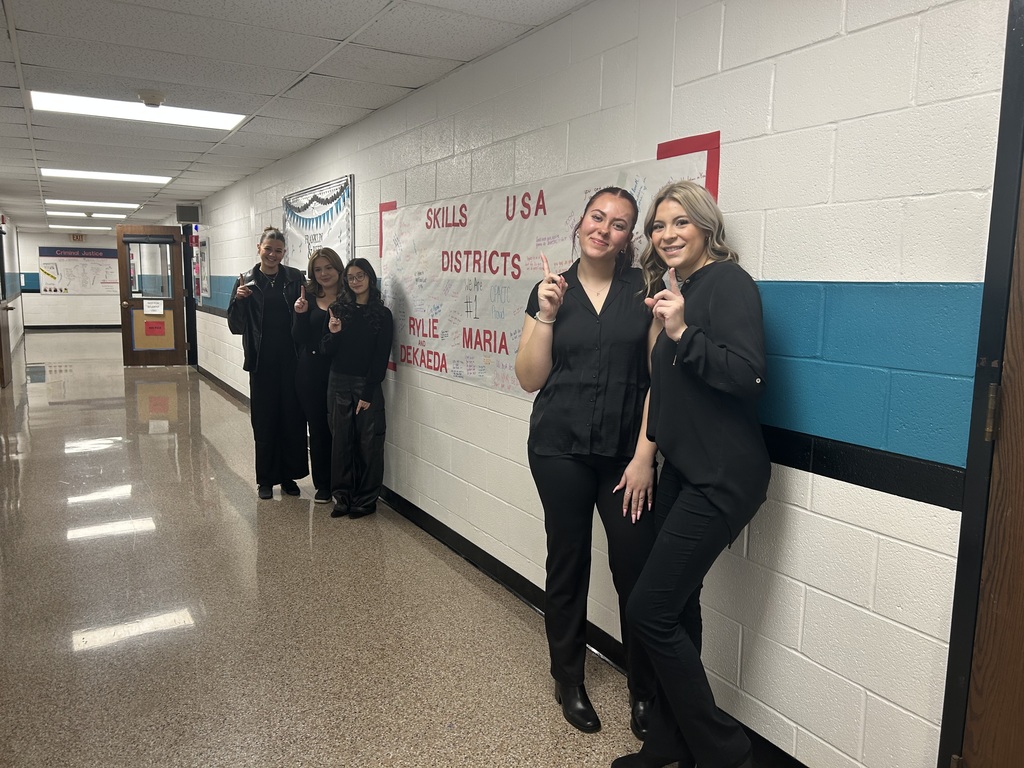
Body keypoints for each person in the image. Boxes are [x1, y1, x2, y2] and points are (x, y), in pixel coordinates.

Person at [611, 181, 768, 768]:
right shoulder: (678, 290)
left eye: (680, 222)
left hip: (722, 474)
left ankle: (726, 754)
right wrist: (647, 453)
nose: (667, 234)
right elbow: (670, 388)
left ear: (707, 227)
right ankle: (667, 745)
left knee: (648, 610)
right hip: (683, 468)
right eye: (658, 225)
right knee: (676, 608)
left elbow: (748, 375)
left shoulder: (728, 283)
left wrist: (681, 332)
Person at [515, 187, 658, 738]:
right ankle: (568, 678)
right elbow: (530, 378)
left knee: (635, 570)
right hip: (560, 448)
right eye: (597, 217)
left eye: (619, 224)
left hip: (626, 458)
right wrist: (546, 315)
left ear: (628, 238)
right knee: (568, 562)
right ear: (580, 223)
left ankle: (644, 691)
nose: (604, 229)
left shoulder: (645, 289)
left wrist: (645, 456)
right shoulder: (549, 290)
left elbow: (659, 382)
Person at [227, 226, 309, 500]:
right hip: (261, 362)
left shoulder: (295, 278)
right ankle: (265, 479)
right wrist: (239, 302)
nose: (273, 255)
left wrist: (302, 312)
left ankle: (288, 477)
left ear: (284, 253)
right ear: (259, 248)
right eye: (268, 249)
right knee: (264, 421)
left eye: (278, 251)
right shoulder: (246, 281)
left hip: (292, 361)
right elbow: (236, 327)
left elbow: (306, 317)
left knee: (292, 419)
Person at [322, 258, 394, 519]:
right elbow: (326, 350)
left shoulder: (382, 315)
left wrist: (368, 392)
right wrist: (334, 333)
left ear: (370, 278)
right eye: (351, 277)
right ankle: (342, 497)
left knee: (368, 443)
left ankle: (366, 499)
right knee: (341, 442)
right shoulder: (337, 310)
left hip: (367, 384)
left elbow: (380, 357)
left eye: (360, 276)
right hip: (338, 382)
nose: (355, 281)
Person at [292, 247, 345, 504]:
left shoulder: (348, 298)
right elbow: (298, 337)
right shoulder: (308, 298)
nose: (324, 273)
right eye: (318, 269)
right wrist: (300, 315)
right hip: (310, 372)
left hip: (340, 372)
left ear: (338, 268)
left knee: (341, 429)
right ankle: (323, 485)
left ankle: (343, 483)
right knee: (318, 428)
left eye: (328, 268)